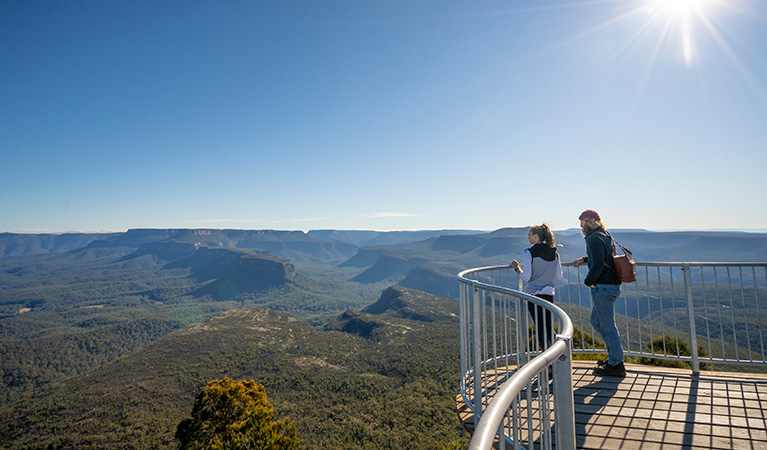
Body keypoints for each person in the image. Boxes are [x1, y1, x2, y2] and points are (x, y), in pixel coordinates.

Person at [572, 209, 626, 377]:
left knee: (608, 325)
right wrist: (584, 259)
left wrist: (588, 281)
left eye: (582, 221)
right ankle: (613, 358)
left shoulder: (593, 238)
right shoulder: (604, 234)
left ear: (589, 222)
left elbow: (599, 265)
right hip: (611, 285)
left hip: (603, 286)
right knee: (596, 321)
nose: (580, 225)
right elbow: (603, 257)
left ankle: (617, 364)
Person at [510, 224, 563, 352]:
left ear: (535, 236)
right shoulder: (554, 252)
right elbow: (559, 276)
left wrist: (518, 269)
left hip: (533, 295)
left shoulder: (529, 252)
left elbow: (527, 277)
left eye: (529, 235)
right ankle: (559, 355)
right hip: (548, 294)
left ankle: (548, 363)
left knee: (540, 328)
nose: (528, 238)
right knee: (549, 326)